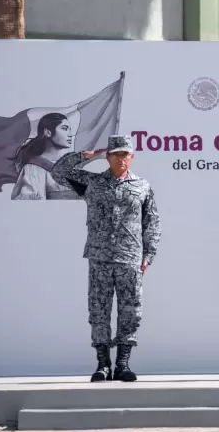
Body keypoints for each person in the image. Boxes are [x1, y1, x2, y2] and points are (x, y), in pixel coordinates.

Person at [52, 134, 161, 383]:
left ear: (132, 157)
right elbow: (58, 172)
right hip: (100, 257)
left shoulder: (142, 186)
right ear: (108, 157)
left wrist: (149, 254)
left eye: (125, 154)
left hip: (130, 258)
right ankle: (103, 364)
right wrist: (87, 155)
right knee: (99, 310)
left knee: (130, 311)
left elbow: (151, 223)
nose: (121, 159)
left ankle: (123, 363)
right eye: (116, 154)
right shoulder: (92, 182)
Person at [11, 112, 80, 200]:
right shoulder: (34, 168)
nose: (70, 134)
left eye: (70, 129)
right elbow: (34, 207)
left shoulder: (70, 165)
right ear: (48, 132)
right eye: (64, 128)